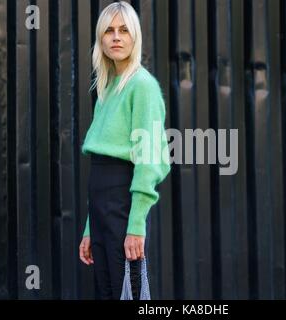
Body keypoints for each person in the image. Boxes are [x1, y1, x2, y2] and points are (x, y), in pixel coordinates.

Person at [78, 1, 170, 300]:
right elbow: (101, 168)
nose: (116, 37)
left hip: (123, 207)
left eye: (124, 30)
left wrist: (136, 225)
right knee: (106, 292)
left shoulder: (142, 86)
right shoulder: (107, 89)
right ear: (100, 39)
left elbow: (150, 161)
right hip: (102, 210)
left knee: (128, 293)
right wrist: (91, 227)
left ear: (135, 37)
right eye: (108, 30)